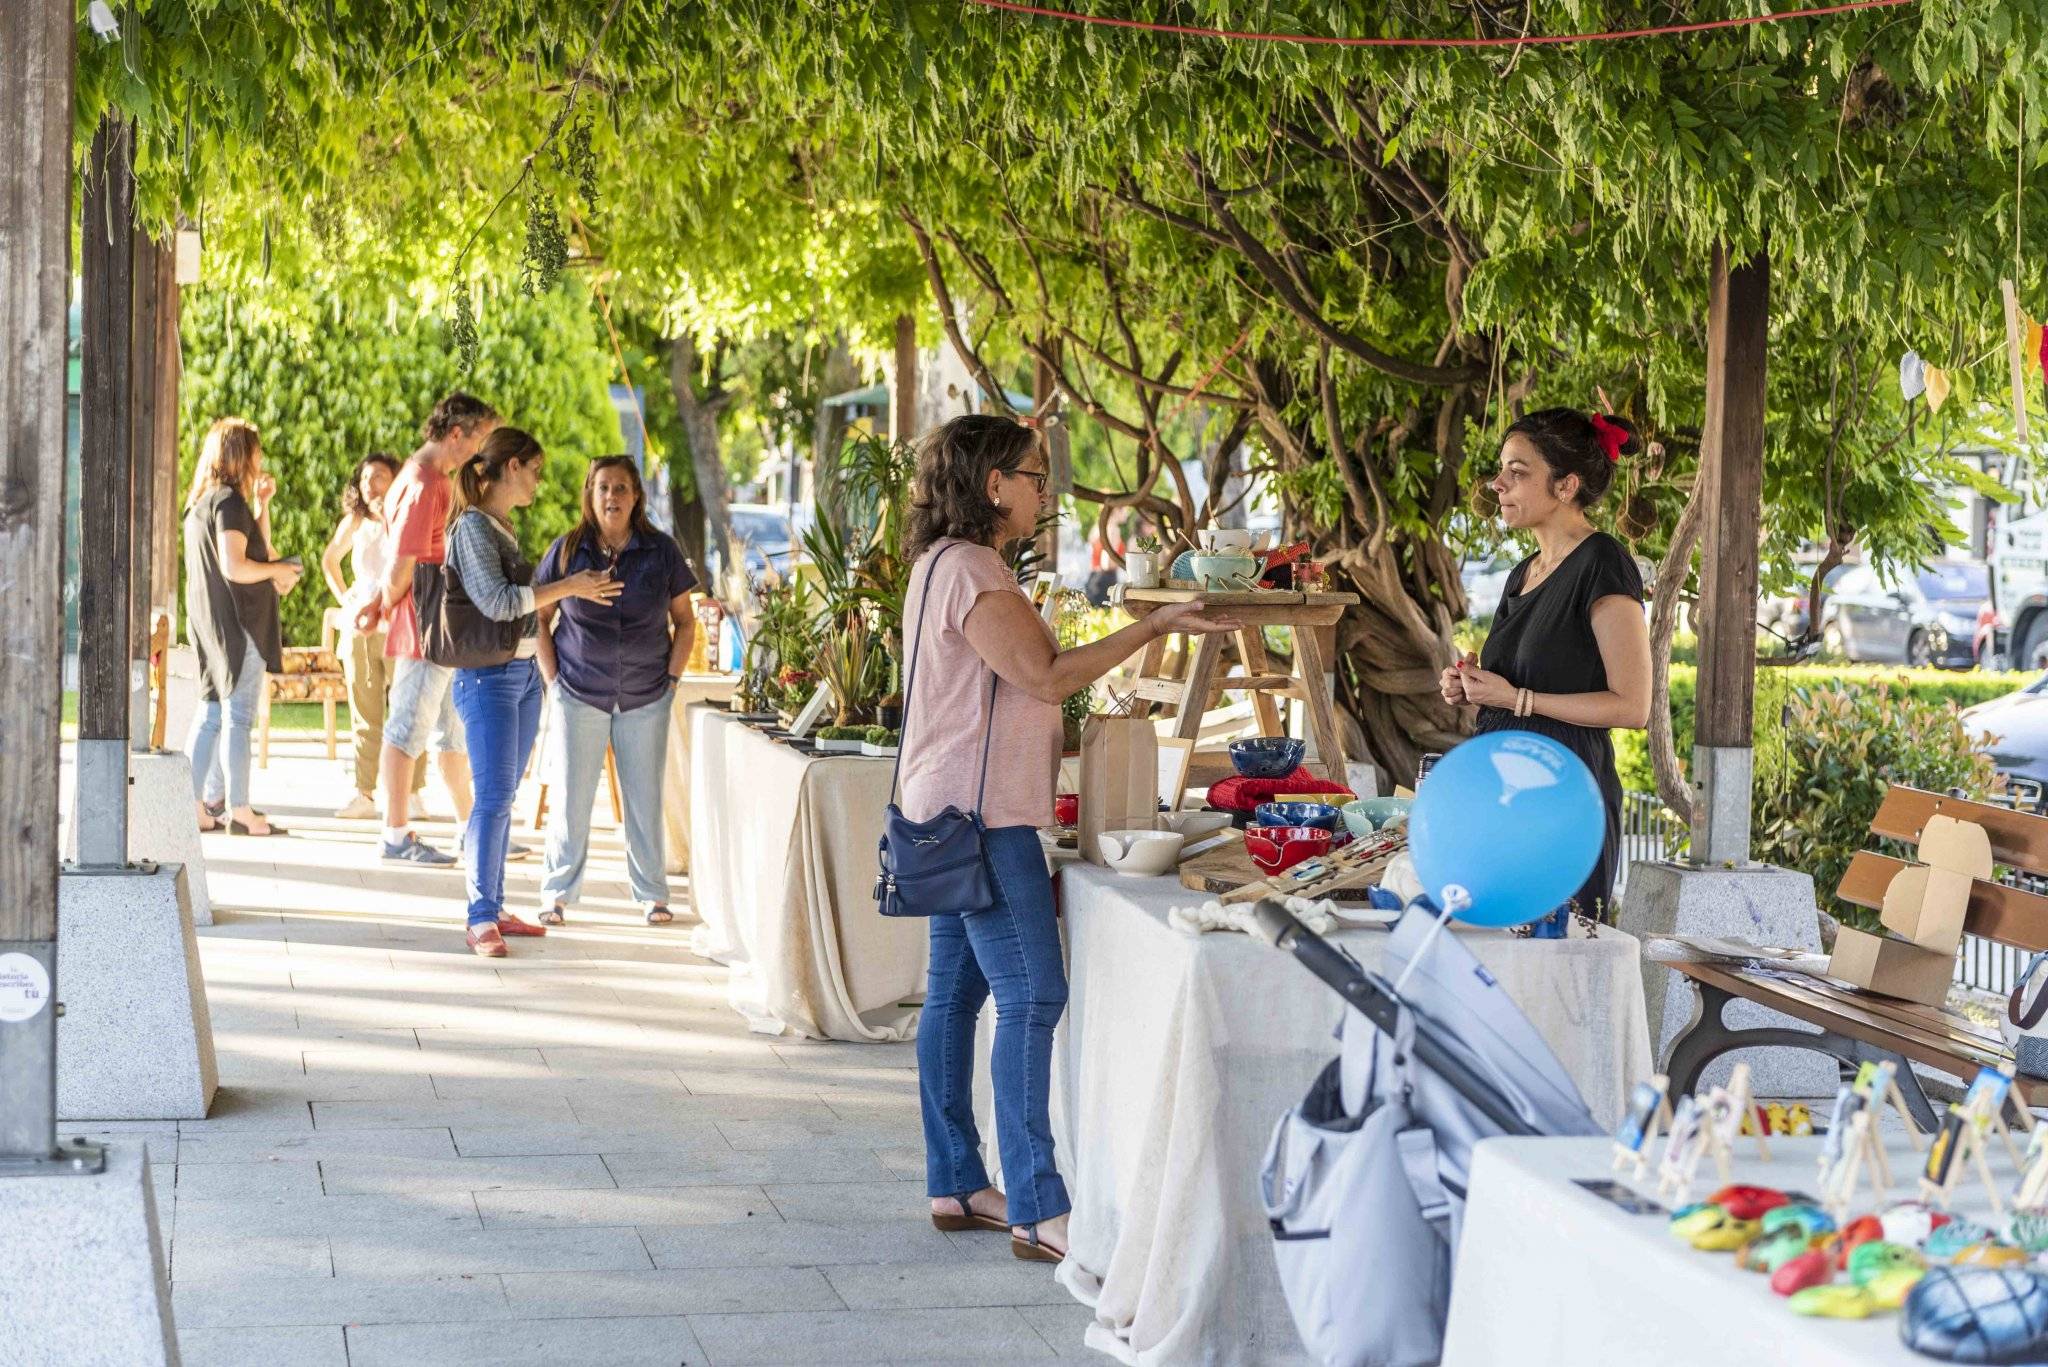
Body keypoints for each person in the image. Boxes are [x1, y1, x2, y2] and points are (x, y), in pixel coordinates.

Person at [898, 414, 1239, 1262]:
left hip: (943, 811)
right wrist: (1153, 627)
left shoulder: (942, 563)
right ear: (993, 485)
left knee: (955, 996)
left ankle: (957, 1182)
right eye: (1033, 475)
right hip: (983, 820)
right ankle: (1037, 1205)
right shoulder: (973, 570)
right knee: (1032, 994)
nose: (1043, 491)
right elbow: (1046, 676)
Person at [1438, 408, 1653, 929]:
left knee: (1554, 960)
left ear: (1566, 486)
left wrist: (1515, 699)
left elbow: (1633, 706)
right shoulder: (1523, 573)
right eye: (1500, 470)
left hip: (1563, 797)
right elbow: (1519, 680)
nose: (1497, 484)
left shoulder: (1602, 562)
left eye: (1517, 472)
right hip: (1504, 793)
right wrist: (1472, 686)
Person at [442, 427, 620, 957]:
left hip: (519, 677)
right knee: (493, 798)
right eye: (535, 470)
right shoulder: (473, 527)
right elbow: (498, 602)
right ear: (512, 467)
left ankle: (494, 908)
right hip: (488, 680)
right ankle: (479, 917)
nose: (539, 481)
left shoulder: (500, 525)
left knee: (503, 798)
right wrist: (570, 587)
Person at [533, 456, 696, 927]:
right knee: (571, 799)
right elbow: (539, 617)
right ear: (590, 493)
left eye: (621, 487)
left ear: (636, 496)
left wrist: (671, 682)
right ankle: (556, 893)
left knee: (644, 799)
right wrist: (553, 681)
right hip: (579, 690)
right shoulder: (567, 551)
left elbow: (685, 623)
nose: (612, 496)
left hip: (646, 695)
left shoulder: (661, 551)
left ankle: (653, 895)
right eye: (603, 487)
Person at [358, 393, 497, 866]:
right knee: (406, 729)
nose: (478, 451)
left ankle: (469, 827)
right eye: (478, 439)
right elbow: (404, 562)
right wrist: (383, 603)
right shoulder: (425, 483)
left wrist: (379, 603)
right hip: (427, 625)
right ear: (456, 433)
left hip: (432, 624)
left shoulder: (417, 477)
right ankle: (396, 834)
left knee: (447, 732)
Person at [181, 417, 301, 835]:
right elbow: (236, 566)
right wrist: (280, 570)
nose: (259, 461)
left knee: (211, 714)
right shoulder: (229, 502)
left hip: (209, 624)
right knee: (237, 719)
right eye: (255, 452)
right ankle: (241, 810)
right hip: (239, 625)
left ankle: (193, 805)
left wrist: (263, 506)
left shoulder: (202, 503)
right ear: (240, 455)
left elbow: (256, 550)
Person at [320, 453, 427, 820]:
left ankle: (412, 792)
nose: (370, 484)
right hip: (360, 627)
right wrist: (345, 598)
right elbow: (329, 560)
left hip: (400, 626)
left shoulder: (405, 517)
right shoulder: (354, 521)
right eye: (365, 478)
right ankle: (364, 793)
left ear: (394, 480)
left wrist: (389, 515)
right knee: (365, 715)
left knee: (407, 708)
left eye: (379, 476)